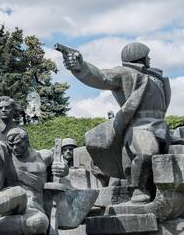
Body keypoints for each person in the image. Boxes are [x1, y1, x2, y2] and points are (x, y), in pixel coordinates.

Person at [61, 42, 170, 203]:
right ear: (139, 57)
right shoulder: (126, 72)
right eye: (147, 56)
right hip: (139, 126)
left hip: (161, 125)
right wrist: (80, 67)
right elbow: (100, 76)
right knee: (146, 152)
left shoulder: (156, 77)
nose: (149, 58)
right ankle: (138, 188)